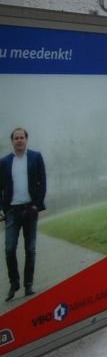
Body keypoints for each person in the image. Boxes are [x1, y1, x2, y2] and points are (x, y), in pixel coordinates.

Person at [2, 128, 46, 301]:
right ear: (12, 141)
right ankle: (14, 283)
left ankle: (28, 285)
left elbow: (43, 181)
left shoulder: (35, 157)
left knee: (30, 249)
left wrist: (37, 205)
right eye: (16, 138)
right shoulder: (4, 162)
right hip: (12, 211)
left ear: (26, 140)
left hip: (30, 210)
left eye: (22, 137)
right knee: (9, 248)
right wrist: (2, 208)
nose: (19, 140)